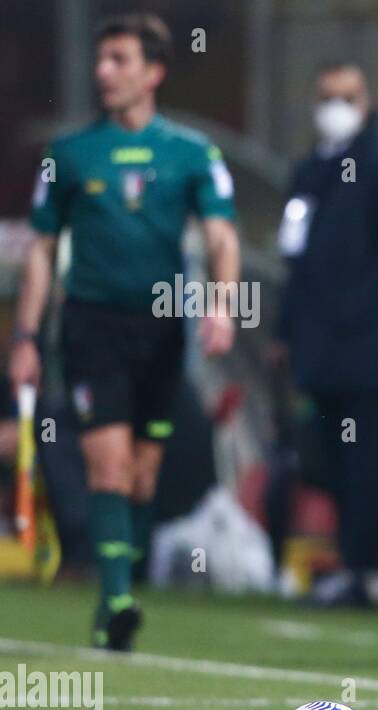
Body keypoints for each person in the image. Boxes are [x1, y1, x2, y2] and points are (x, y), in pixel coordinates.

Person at [9, 12, 239, 650]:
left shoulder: (193, 154)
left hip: (164, 328)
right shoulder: (69, 154)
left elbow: (221, 234)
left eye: (119, 60)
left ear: (154, 72)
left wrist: (222, 305)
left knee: (141, 475)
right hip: (91, 326)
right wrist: (26, 337)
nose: (103, 71)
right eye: (101, 59)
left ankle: (121, 589)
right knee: (107, 468)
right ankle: (115, 599)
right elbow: (40, 249)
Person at [275, 62, 378, 607]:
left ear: (366, 102)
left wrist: (353, 315)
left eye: (346, 97)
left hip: (365, 348)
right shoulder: (309, 170)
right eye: (326, 96)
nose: (334, 107)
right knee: (328, 461)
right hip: (319, 349)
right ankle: (349, 563)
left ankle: (368, 568)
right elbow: (295, 257)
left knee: (365, 463)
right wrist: (287, 332)